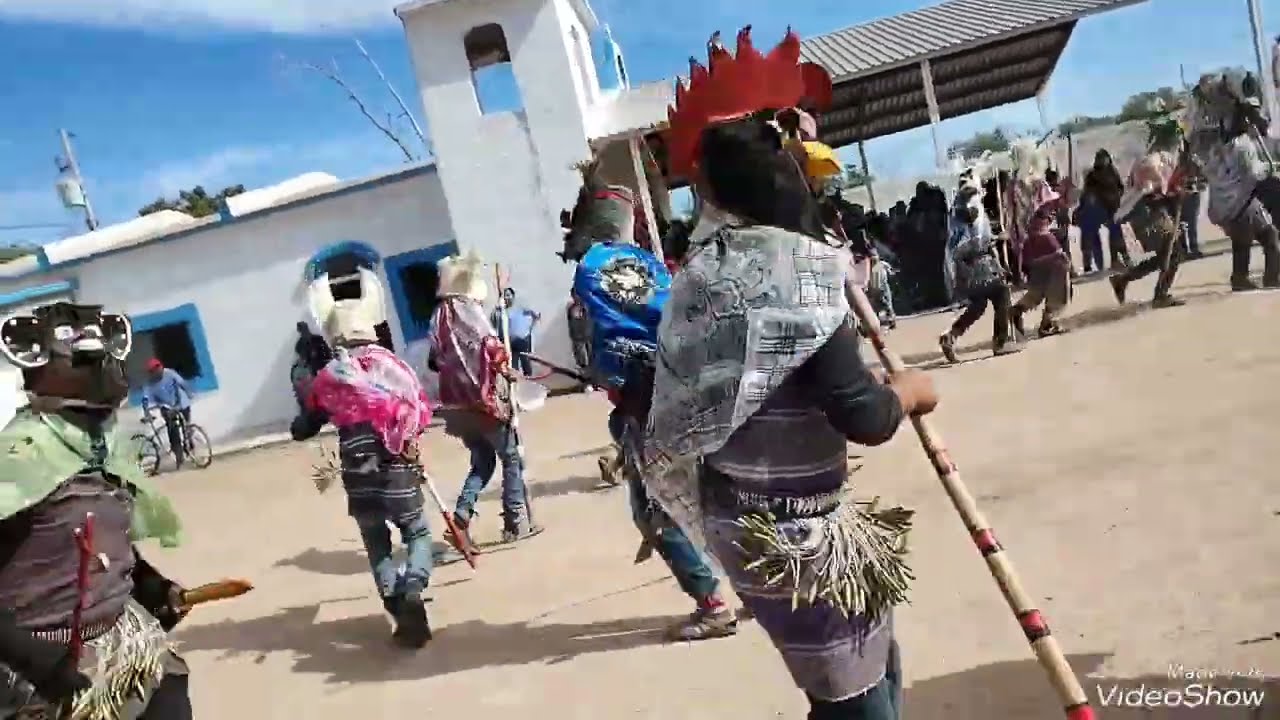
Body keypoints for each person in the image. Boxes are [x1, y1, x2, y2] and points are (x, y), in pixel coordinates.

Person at [645, 28, 939, 719]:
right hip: (796, 537)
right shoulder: (799, 274)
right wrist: (910, 391)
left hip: (743, 523)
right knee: (859, 701)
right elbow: (864, 416)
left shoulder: (699, 276)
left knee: (864, 672)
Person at [557, 154, 737, 641]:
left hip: (648, 401)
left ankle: (714, 604)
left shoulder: (592, 269)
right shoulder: (649, 263)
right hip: (690, 387)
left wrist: (606, 376)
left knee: (657, 509)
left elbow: (599, 348)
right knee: (715, 493)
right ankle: (762, 586)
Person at [0, 302, 191, 718]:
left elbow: (97, 537)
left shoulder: (100, 444)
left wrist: (151, 586)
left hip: (129, 649)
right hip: (43, 678)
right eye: (86, 357)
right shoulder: (16, 457)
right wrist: (35, 660)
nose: (104, 368)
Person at [290, 267, 436, 648]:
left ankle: (399, 611)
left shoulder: (328, 376)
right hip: (395, 467)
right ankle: (413, 588)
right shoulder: (392, 366)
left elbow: (303, 428)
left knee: (377, 544)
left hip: (357, 473)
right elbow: (419, 409)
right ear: (371, 327)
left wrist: (311, 414)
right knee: (417, 532)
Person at [429, 250, 540, 544]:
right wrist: (505, 368)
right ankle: (515, 521)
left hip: (457, 405)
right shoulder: (467, 310)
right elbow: (491, 345)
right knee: (511, 457)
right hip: (483, 401)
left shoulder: (438, 317)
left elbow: (433, 360)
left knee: (482, 460)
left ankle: (462, 514)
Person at [1185, 71, 1280, 291]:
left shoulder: (1218, 147)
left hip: (1229, 203)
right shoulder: (1236, 147)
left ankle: (1245, 278)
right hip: (1238, 201)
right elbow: (1253, 173)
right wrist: (1270, 169)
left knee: (1246, 240)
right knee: (1265, 236)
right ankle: (1264, 278)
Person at [940, 165, 1023, 362]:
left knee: (979, 304)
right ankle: (1000, 342)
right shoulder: (968, 205)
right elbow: (975, 236)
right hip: (975, 263)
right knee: (1001, 294)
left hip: (966, 265)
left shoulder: (957, 208)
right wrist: (996, 238)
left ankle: (951, 336)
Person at [1109, 121, 1191, 308]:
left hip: (1147, 211)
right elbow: (1150, 190)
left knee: (1170, 254)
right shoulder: (1153, 161)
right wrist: (1174, 193)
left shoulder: (1160, 159)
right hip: (1144, 212)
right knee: (1173, 251)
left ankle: (1124, 280)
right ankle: (1159, 295)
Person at [1008, 139, 1071, 338]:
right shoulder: (1035, 183)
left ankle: (1017, 311)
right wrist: (1064, 191)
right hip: (1041, 235)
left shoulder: (1013, 185)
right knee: (1061, 265)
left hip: (1027, 241)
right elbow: (1050, 203)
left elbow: (1014, 218)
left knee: (1040, 281)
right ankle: (1049, 320)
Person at [1080, 149, 1131, 271]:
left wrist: (1116, 197)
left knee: (1116, 234)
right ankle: (1093, 265)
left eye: (1104, 157)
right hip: (1098, 209)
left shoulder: (1113, 172)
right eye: (1100, 157)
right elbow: (1086, 193)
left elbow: (1120, 187)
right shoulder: (1092, 175)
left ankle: (1120, 260)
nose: (1102, 160)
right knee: (1091, 237)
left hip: (1112, 207)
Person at [141, 359, 194, 469]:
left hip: (181, 402)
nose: (157, 371)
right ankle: (179, 456)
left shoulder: (169, 373)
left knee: (186, 426)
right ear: (151, 373)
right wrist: (146, 413)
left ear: (161, 366)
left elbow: (182, 383)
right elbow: (145, 399)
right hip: (166, 408)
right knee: (173, 431)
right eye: (153, 370)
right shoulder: (149, 384)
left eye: (158, 367)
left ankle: (189, 442)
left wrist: (189, 393)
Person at [490, 288, 539, 376]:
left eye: (508, 295)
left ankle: (529, 380)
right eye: (505, 295)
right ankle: (516, 381)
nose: (507, 297)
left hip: (522, 340)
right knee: (513, 366)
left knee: (526, 363)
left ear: (513, 296)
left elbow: (535, 315)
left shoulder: (519, 308)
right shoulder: (501, 311)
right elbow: (494, 323)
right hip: (509, 343)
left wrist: (529, 329)